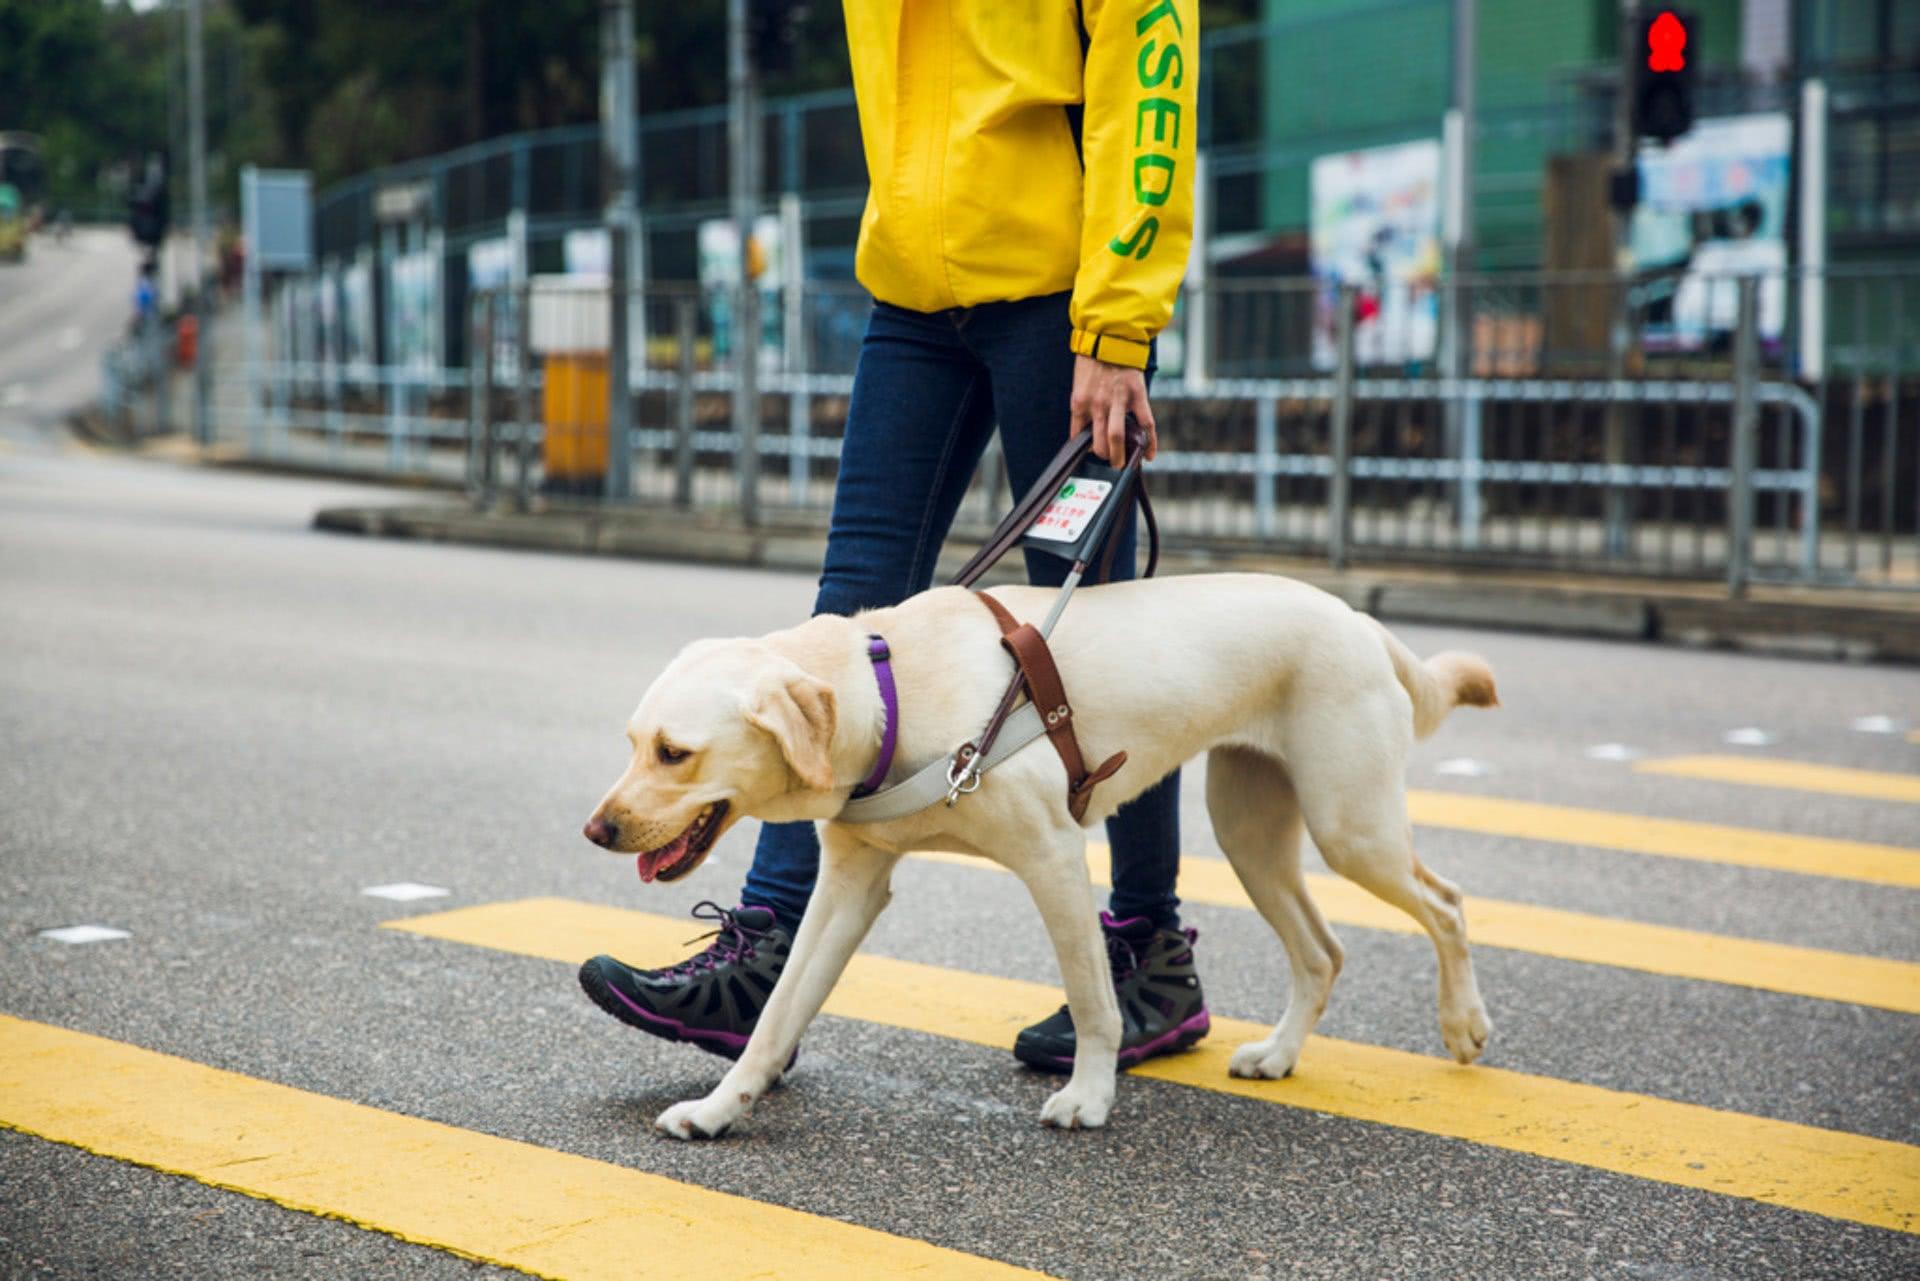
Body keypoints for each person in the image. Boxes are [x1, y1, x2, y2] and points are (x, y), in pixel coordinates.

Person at [581, 0, 1205, 1072]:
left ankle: (1150, 951)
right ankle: (763, 954)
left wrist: (1116, 327)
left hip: (1059, 306)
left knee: (1094, 641)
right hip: (912, 302)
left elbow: (1147, 104)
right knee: (835, 624)